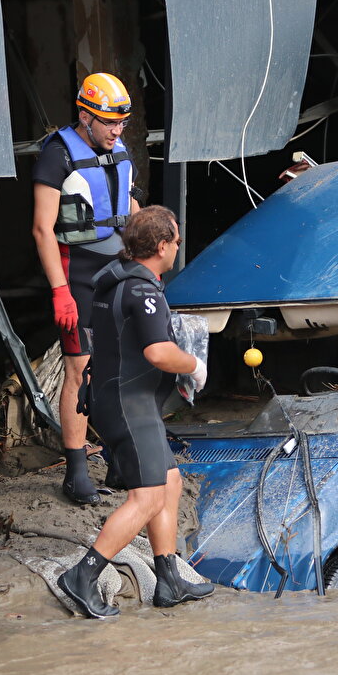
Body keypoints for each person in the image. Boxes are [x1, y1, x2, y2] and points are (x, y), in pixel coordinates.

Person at [56, 206, 212, 618]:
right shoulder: (141, 289)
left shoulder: (117, 277)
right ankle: (83, 576)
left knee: (171, 482)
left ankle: (169, 577)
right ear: (162, 246)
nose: (178, 246)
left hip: (122, 398)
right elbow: (158, 352)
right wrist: (195, 366)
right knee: (146, 497)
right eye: (176, 240)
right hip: (128, 405)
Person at [32, 72, 141, 505]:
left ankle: (117, 455)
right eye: (109, 123)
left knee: (123, 363)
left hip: (117, 269)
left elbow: (127, 206)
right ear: (84, 117)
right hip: (76, 273)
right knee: (81, 370)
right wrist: (59, 291)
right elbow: (42, 229)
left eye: (122, 124)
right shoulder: (57, 154)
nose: (117, 131)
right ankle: (76, 469)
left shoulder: (119, 151)